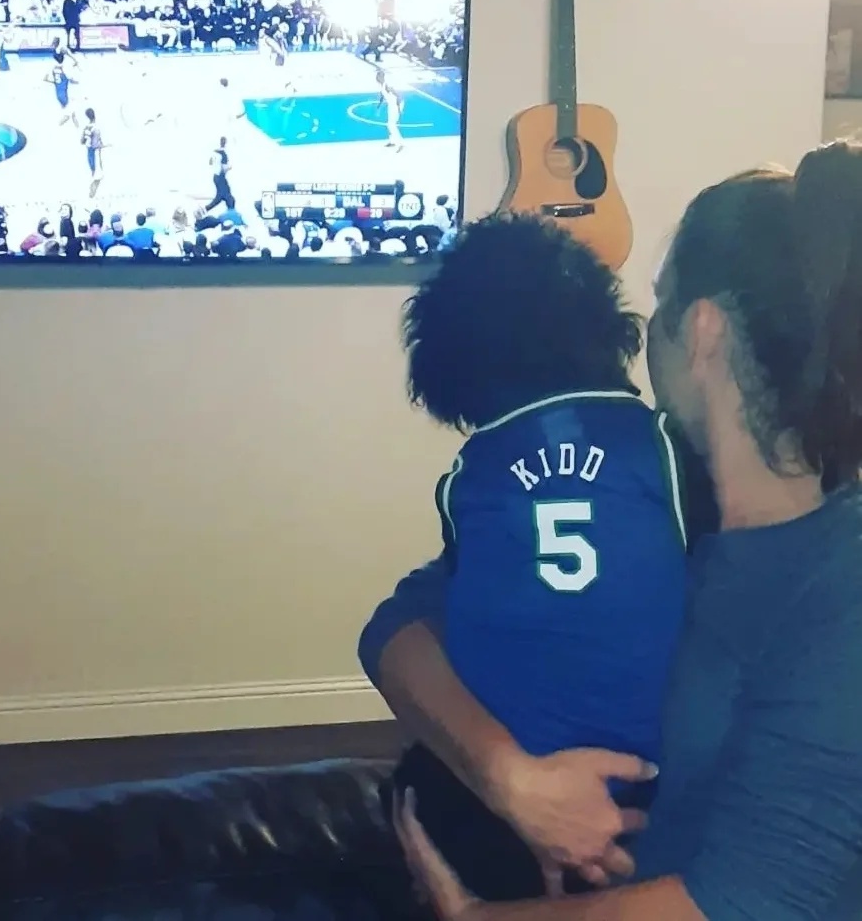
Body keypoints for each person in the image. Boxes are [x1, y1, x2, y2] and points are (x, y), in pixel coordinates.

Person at [364, 141, 862, 920]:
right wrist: (512, 781)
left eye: (659, 303)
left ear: (700, 332)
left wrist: (473, 917)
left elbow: (751, 903)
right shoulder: (636, 485)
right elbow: (395, 634)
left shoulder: (837, 587)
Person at [389, 213, 688, 903]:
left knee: (418, 783)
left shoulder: (471, 477)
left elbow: (432, 612)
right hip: (644, 800)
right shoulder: (666, 452)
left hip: (482, 816)